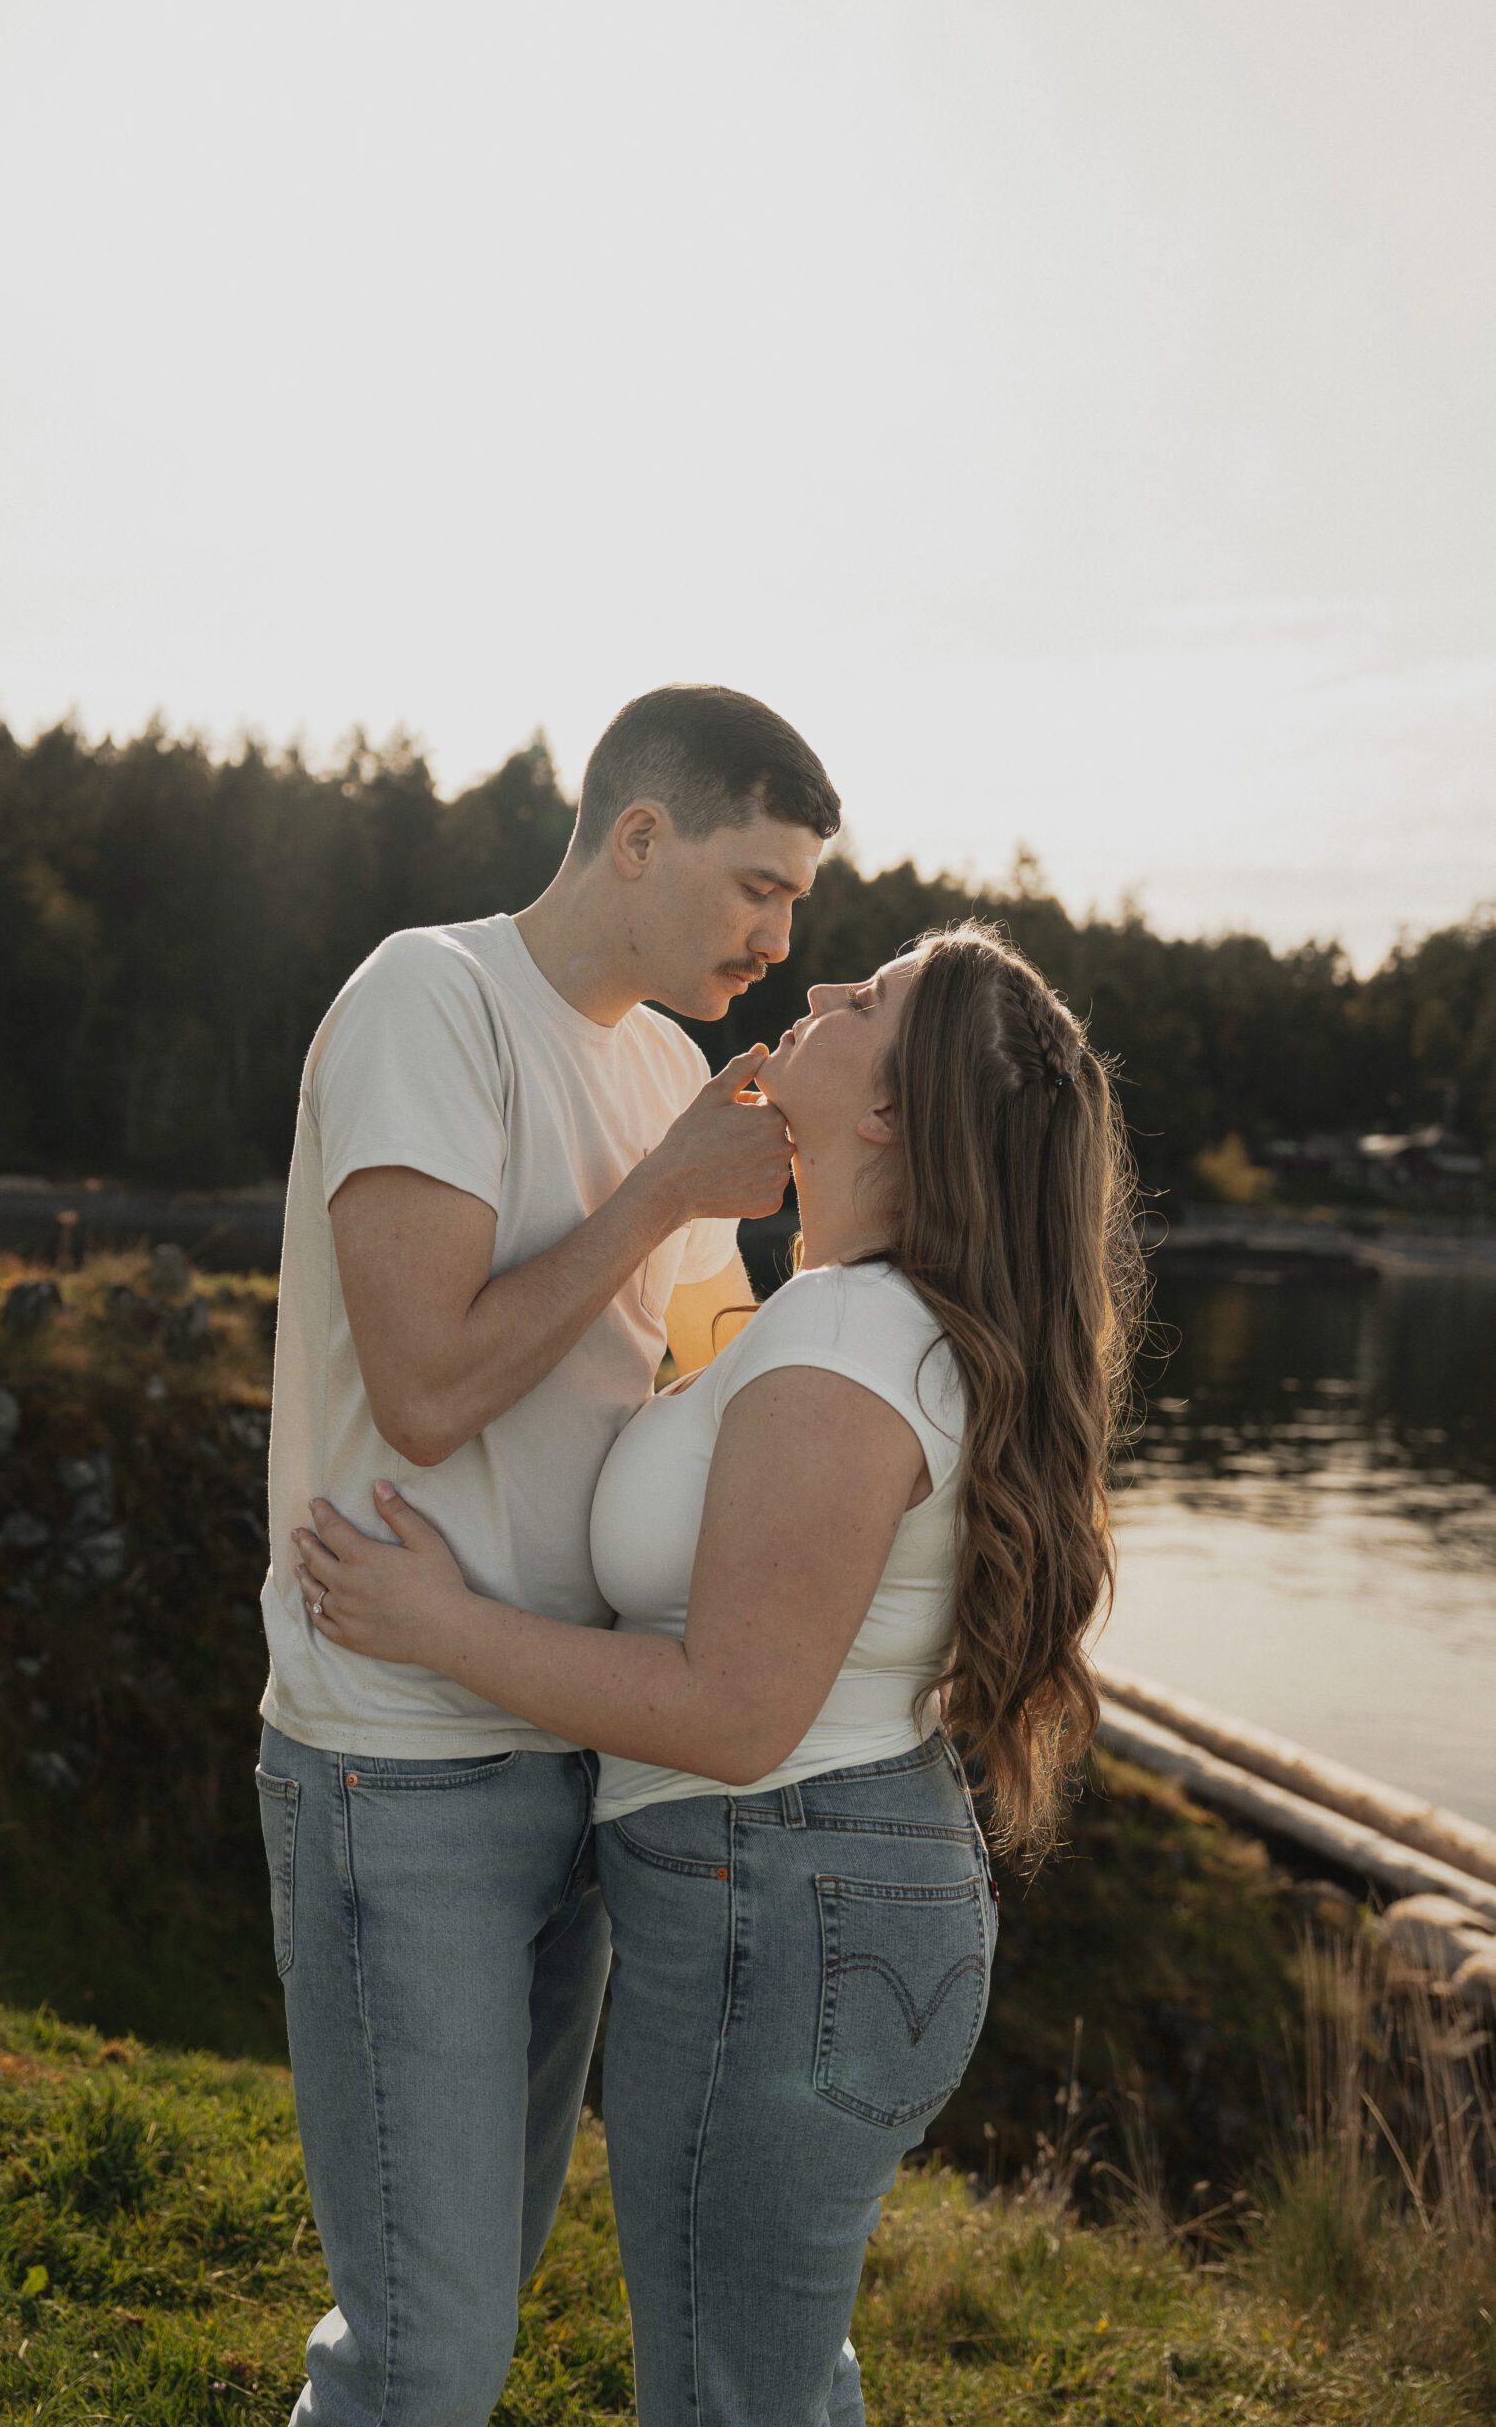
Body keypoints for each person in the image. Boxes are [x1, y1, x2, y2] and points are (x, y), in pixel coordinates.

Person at [291, 920, 1146, 2427]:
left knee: (731, 2397)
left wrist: (437, 1626)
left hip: (786, 1910)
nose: (816, 986)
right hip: (818, 1900)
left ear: (890, 1116)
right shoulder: (851, 1316)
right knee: (764, 2384)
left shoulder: (847, 1339)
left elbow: (736, 1714)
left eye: (867, 999)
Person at [256, 683, 840, 2426]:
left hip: (584, 1753)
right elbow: (426, 1391)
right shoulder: (430, 999)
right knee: (425, 2357)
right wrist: (664, 1193)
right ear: (639, 837)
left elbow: (699, 1396)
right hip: (400, 1764)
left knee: (472, 2302)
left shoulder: (663, 1071)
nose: (780, 939)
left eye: (798, 900)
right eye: (758, 885)